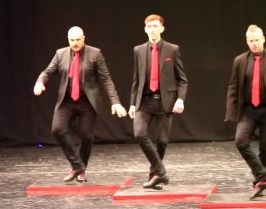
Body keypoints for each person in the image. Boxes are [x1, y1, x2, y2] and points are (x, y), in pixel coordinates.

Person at [33, 26, 127, 182]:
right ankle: (77, 166)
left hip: (87, 102)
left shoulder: (95, 54)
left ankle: (82, 169)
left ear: (84, 38)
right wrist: (40, 82)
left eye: (78, 40)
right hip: (67, 101)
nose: (75, 43)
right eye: (72, 40)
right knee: (57, 129)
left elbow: (106, 79)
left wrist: (115, 102)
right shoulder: (60, 54)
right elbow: (47, 72)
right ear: (68, 39)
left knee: (86, 136)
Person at [225, 24, 266, 199]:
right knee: (240, 141)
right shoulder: (240, 61)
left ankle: (260, 182)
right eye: (251, 40)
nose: (254, 43)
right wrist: (231, 111)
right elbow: (233, 86)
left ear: (263, 39)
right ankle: (262, 176)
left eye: (257, 40)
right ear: (247, 41)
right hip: (248, 110)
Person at [128, 14, 188, 189]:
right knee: (139, 134)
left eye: (155, 26)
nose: (152, 29)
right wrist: (132, 103)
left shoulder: (172, 49)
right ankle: (161, 172)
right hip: (144, 101)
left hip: (164, 101)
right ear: (145, 29)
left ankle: (154, 175)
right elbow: (136, 80)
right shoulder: (138, 50)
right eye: (149, 26)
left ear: (162, 28)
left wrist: (181, 100)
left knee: (162, 141)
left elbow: (182, 79)